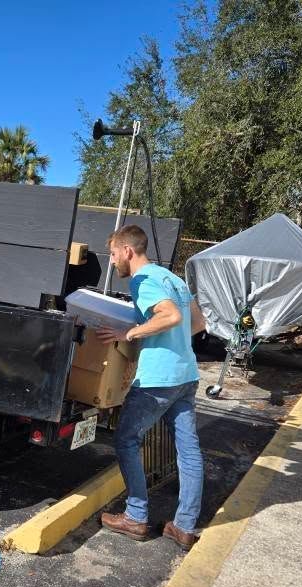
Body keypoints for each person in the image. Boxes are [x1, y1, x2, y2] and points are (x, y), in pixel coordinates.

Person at [96, 225, 207, 550]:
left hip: (158, 379)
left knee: (127, 440)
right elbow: (197, 322)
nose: (112, 260)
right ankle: (184, 526)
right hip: (186, 374)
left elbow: (170, 316)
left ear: (128, 251)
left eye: (113, 254)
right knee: (188, 451)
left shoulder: (142, 281)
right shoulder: (171, 277)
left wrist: (129, 334)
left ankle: (136, 517)